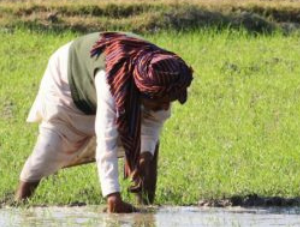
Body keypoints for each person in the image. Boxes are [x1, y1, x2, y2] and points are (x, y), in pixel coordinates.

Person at [15, 32, 193, 213]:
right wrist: (112, 196)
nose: (165, 106)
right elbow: (106, 138)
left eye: (169, 100)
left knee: (146, 149)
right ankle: (19, 205)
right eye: (159, 101)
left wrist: (144, 155)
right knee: (53, 144)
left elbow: (154, 122)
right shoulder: (112, 82)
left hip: (115, 80)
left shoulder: (163, 72)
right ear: (141, 92)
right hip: (68, 78)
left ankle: (146, 208)